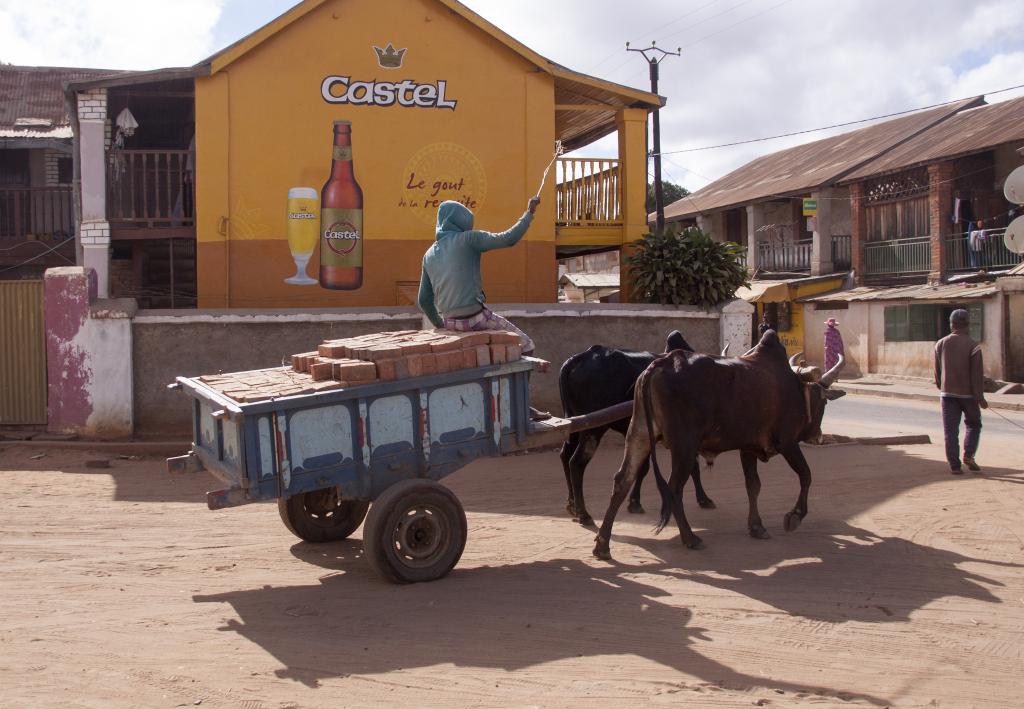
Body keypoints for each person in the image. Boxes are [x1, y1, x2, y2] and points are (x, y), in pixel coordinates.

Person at [417, 196, 550, 419]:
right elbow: (508, 239)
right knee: (526, 345)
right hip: (477, 318)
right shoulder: (469, 239)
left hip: (451, 324)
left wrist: (441, 324)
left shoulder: (429, 254)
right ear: (461, 222)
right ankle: (520, 406)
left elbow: (423, 299)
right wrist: (529, 213)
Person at [934, 309, 987, 474]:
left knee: (950, 431)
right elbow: (976, 374)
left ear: (951, 324)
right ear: (968, 325)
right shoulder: (973, 346)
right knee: (973, 424)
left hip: (947, 394)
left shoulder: (941, 343)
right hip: (968, 395)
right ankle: (969, 454)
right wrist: (980, 397)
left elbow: (937, 372)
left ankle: (954, 465)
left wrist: (942, 386)